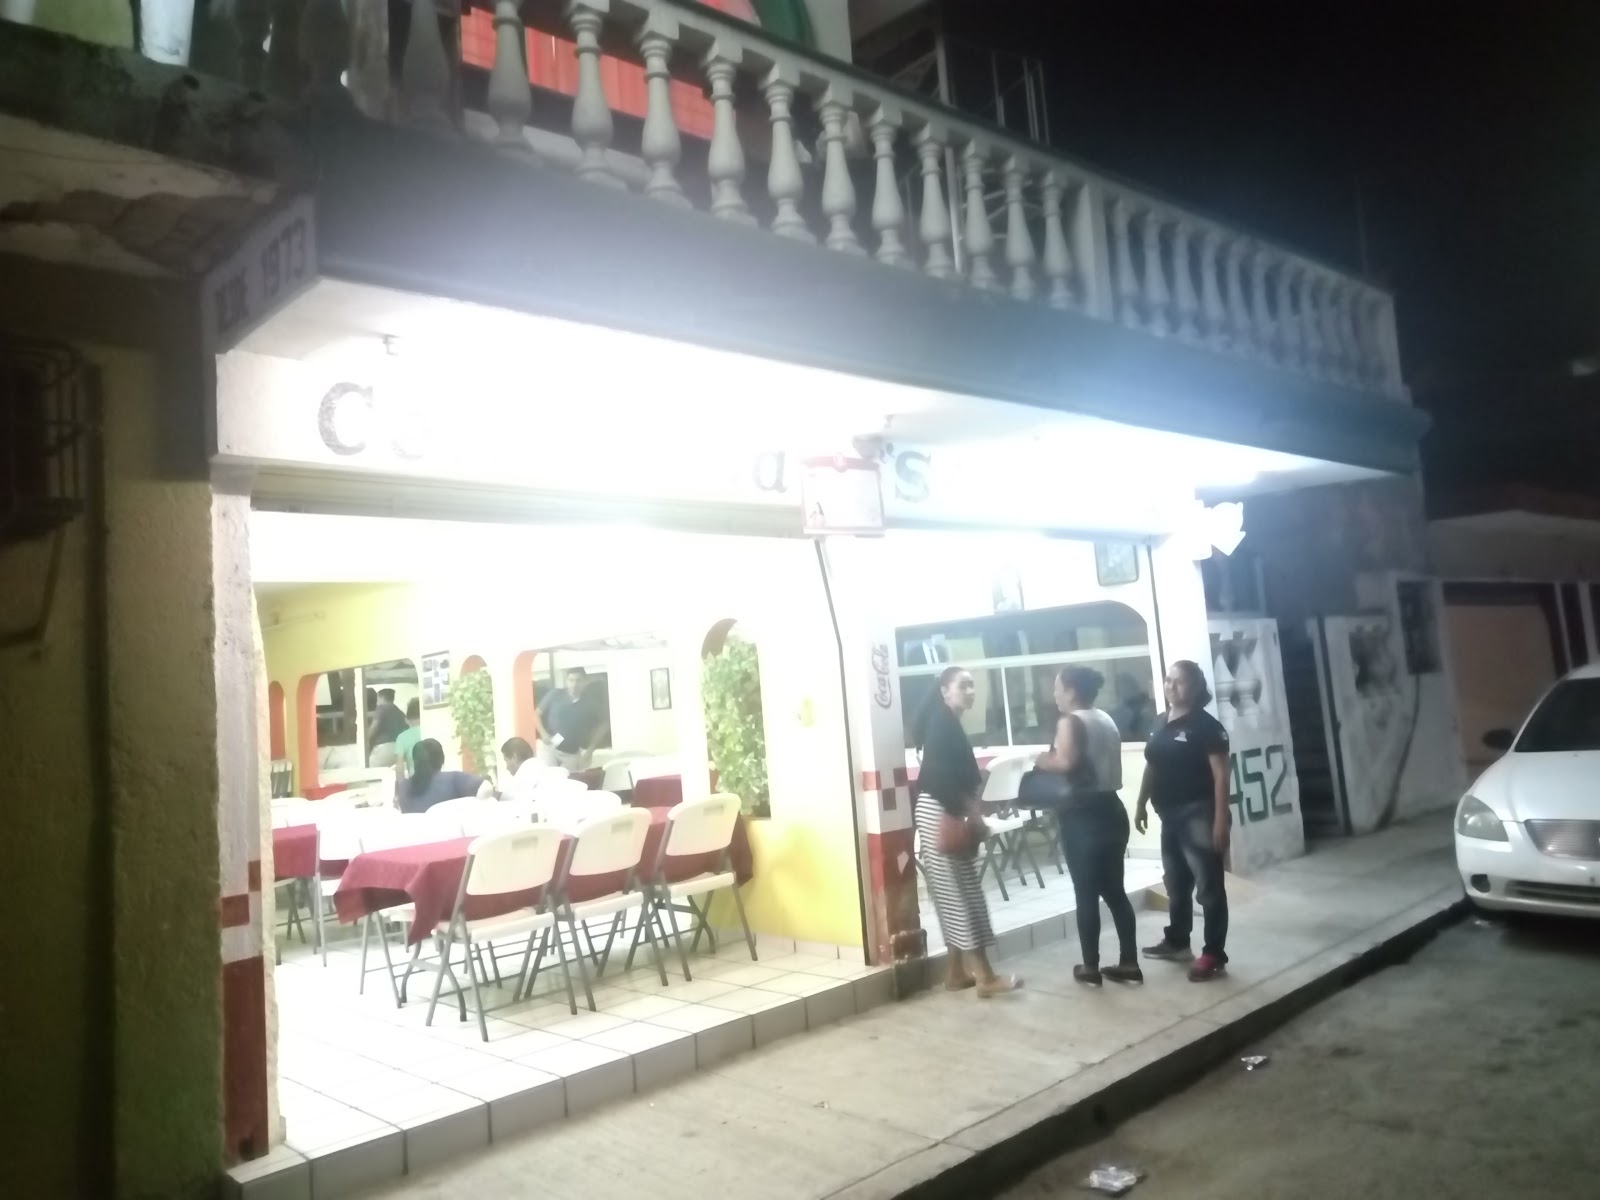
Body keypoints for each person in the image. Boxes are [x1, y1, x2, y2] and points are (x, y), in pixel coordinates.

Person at [913, 666, 1022, 997]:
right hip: (942, 812)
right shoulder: (942, 724)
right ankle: (985, 977)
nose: (970, 691)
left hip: (941, 811)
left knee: (953, 894)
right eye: (963, 685)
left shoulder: (946, 722)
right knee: (962, 894)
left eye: (973, 686)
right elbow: (940, 778)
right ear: (944, 690)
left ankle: (956, 972)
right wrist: (971, 812)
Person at [1033, 666, 1141, 986]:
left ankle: (1090, 967)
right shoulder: (1105, 719)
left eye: (1058, 688)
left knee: (1086, 893)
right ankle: (1129, 962)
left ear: (1071, 692)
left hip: (1083, 816)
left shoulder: (1070, 721)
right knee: (1115, 892)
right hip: (1112, 811)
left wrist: (1041, 760)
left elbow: (1066, 762)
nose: (1054, 694)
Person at [1135, 660, 1233, 981]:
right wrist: (1141, 802)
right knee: (1176, 883)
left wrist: (1220, 820)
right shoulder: (1160, 721)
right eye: (1168, 680)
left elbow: (1221, 776)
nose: (1171, 687)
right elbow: (1152, 763)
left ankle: (1213, 953)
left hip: (1199, 814)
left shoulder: (1207, 727)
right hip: (1169, 815)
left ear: (1196, 687)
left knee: (1209, 887)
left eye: (1180, 682)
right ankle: (1177, 940)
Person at [534, 668, 608, 770]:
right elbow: (536, 714)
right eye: (571, 680)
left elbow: (604, 725)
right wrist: (543, 734)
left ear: (585, 682)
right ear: (566, 681)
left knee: (568, 778)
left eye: (578, 680)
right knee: (548, 775)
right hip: (549, 748)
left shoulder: (590, 703)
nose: (574, 684)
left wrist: (590, 749)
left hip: (571, 754)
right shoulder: (555, 694)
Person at [398, 738, 485, 814]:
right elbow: (485, 788)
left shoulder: (403, 787)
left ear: (414, 761)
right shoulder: (455, 780)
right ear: (442, 759)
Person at [367, 687, 409, 768]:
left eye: (377, 699)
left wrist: (366, 741)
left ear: (381, 697)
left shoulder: (381, 708)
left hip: (384, 748)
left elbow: (374, 727)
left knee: (371, 770)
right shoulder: (400, 713)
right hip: (399, 749)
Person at [497, 736, 540, 803]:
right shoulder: (548, 770)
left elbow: (509, 799)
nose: (507, 768)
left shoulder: (522, 781)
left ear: (514, 757)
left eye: (506, 761)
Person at [393, 699, 424, 777]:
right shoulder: (432, 730)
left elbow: (399, 767)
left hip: (415, 780)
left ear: (407, 719)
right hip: (436, 779)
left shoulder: (402, 737)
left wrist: (401, 783)